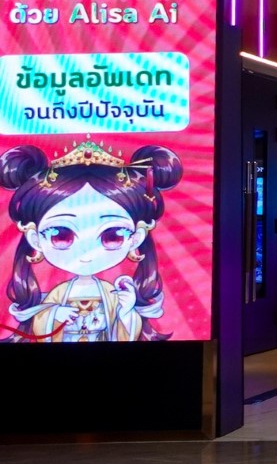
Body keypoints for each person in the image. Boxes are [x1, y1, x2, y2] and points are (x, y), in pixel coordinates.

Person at [0, 140, 182, 343]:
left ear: (136, 237)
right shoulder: (59, 293)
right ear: (35, 238)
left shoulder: (111, 293)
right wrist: (54, 314)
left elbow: (126, 335)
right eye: (61, 234)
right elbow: (42, 328)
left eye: (112, 235)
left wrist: (126, 311)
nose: (86, 252)